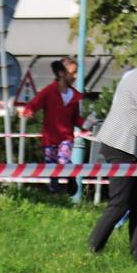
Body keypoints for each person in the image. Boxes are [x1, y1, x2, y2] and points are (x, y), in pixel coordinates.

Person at [87, 36, 137, 260]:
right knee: (120, 203)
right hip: (124, 148)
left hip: (117, 143)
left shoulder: (133, 75)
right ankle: (93, 247)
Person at [18, 57, 86, 194]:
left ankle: (71, 178)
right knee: (51, 167)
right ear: (61, 73)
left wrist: (86, 125)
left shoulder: (74, 96)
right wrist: (28, 111)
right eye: (73, 72)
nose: (76, 76)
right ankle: (55, 190)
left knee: (63, 160)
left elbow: (76, 118)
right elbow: (34, 104)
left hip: (66, 137)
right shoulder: (49, 91)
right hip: (49, 139)